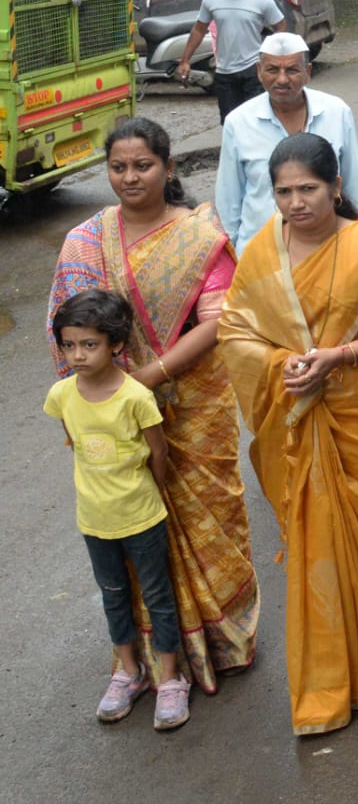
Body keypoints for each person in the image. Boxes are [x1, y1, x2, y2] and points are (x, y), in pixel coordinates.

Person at [216, 133, 358, 735]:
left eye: (308, 189)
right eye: (283, 191)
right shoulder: (266, 249)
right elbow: (235, 329)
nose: (295, 203)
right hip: (298, 410)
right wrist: (280, 363)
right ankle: (333, 667)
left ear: (336, 187)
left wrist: (338, 355)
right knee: (320, 541)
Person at [49, 117, 259, 699]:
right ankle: (146, 659)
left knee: (206, 519)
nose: (130, 176)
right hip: (114, 416)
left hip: (191, 407)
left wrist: (147, 376)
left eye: (143, 165)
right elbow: (67, 334)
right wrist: (98, 402)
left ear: (168, 168)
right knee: (129, 530)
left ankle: (219, 639)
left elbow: (219, 321)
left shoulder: (198, 238)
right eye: (118, 166)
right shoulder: (85, 242)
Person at [47, 289, 190, 730]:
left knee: (157, 597)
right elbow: (74, 441)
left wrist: (153, 493)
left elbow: (158, 452)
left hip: (142, 516)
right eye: (69, 345)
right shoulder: (61, 396)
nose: (78, 355)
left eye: (89, 345)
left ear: (115, 345)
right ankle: (128, 672)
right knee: (113, 597)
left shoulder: (134, 397)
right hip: (94, 520)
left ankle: (170, 679)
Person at [215, 32, 358, 249]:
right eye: (272, 69)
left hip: (327, 248)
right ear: (259, 72)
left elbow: (354, 186)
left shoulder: (337, 112)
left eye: (292, 70)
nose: (282, 79)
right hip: (261, 253)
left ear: (308, 72)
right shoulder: (238, 122)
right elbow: (228, 201)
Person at [176, 0, 287, 123]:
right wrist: (185, 60)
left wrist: (272, 60)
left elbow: (280, 27)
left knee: (256, 122)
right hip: (224, 72)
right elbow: (199, 29)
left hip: (253, 71)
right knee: (230, 124)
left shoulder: (262, 0)